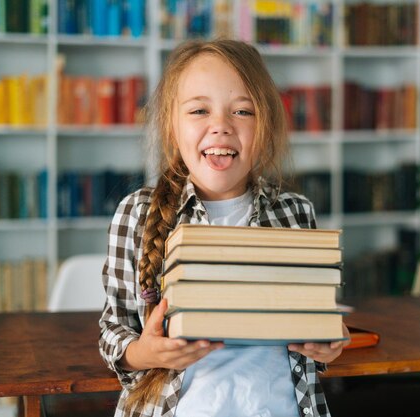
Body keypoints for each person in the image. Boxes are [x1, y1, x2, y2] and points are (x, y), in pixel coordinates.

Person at [98, 38, 349, 417]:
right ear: (172, 125)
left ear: (264, 125)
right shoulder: (137, 214)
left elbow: (317, 328)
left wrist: (330, 341)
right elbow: (113, 331)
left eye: (243, 112)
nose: (221, 127)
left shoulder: (296, 214)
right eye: (199, 110)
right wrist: (144, 352)